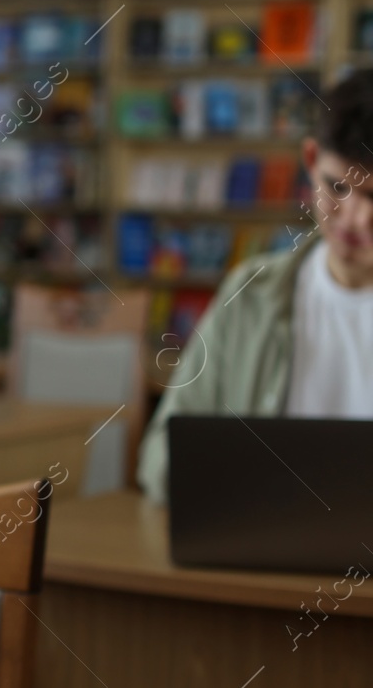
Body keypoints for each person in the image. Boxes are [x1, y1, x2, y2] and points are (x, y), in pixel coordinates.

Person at [138, 67, 373, 502]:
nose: (355, 218)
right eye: (336, 187)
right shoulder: (250, 293)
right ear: (309, 162)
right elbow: (160, 461)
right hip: (255, 562)